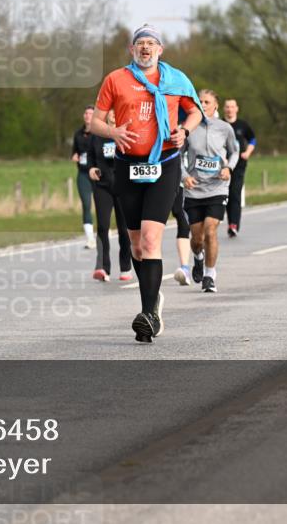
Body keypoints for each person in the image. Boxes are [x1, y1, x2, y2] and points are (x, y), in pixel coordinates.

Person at [90, 24, 203, 343]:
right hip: (127, 167)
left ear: (160, 50)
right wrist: (113, 133)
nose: (146, 48)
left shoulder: (176, 79)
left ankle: (149, 316)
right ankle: (153, 301)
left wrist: (185, 131)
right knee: (137, 244)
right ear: (132, 50)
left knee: (152, 240)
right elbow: (97, 121)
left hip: (164, 164)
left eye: (151, 43)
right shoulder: (116, 79)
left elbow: (194, 113)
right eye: (140, 43)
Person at [183, 90, 239, 292]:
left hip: (217, 188)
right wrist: (184, 176)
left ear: (215, 106)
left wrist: (228, 168)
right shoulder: (188, 128)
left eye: (207, 102)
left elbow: (234, 151)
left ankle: (210, 275)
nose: (203, 104)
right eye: (200, 101)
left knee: (210, 230)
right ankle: (198, 257)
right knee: (197, 239)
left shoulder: (225, 129)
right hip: (194, 190)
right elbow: (175, 155)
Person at [88, 110, 133, 282]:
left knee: (124, 229)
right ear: (107, 115)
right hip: (103, 185)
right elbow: (90, 156)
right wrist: (91, 168)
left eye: (117, 110)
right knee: (103, 227)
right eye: (111, 112)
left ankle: (126, 267)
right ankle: (102, 267)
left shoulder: (127, 133)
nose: (114, 115)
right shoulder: (97, 134)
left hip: (123, 186)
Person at [223, 98, 256, 238]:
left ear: (236, 108)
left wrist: (248, 152)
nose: (230, 109)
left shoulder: (243, 125)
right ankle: (218, 221)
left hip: (239, 165)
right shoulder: (221, 125)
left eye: (232, 107)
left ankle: (233, 225)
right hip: (222, 165)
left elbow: (252, 139)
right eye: (227, 107)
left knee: (235, 194)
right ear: (224, 109)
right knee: (224, 195)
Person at [72, 106, 97, 248]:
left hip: (97, 173)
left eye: (90, 113)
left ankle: (103, 232)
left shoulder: (99, 133)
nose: (87, 116)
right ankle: (90, 238)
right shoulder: (78, 134)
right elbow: (74, 152)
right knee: (86, 205)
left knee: (102, 204)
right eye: (86, 113)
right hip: (83, 174)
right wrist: (74, 156)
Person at [170, 183, 193, 286]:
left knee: (198, 228)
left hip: (197, 183)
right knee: (182, 220)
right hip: (175, 182)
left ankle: (198, 258)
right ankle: (185, 268)